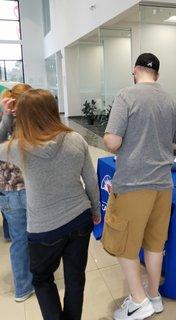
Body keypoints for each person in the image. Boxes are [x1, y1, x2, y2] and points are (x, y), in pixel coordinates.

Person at [0, 89, 100, 320]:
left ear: (23, 116)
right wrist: (95, 211)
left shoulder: (19, 148)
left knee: (43, 278)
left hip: (44, 228)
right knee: (75, 278)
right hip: (80, 219)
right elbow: (91, 180)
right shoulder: (76, 139)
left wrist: (7, 117)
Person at [102, 53, 176, 320]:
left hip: (133, 183)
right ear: (157, 75)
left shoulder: (126, 96)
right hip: (163, 184)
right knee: (154, 243)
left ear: (135, 71)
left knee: (123, 244)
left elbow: (112, 142)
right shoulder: (170, 99)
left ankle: (139, 301)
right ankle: (153, 294)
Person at [0, 83, 34, 302]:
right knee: (36, 237)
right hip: (31, 190)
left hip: (8, 192)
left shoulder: (5, 124)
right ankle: (39, 278)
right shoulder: (32, 124)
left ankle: (22, 287)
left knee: (19, 240)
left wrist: (5, 115)